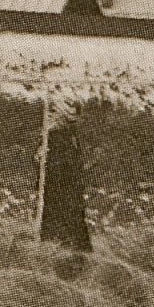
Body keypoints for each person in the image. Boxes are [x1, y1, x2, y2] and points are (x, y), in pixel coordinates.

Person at [37, 107, 90, 254]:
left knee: (65, 200)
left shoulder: (63, 136)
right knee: (61, 200)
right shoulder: (63, 136)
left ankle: (67, 244)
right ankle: (62, 242)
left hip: (61, 144)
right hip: (60, 143)